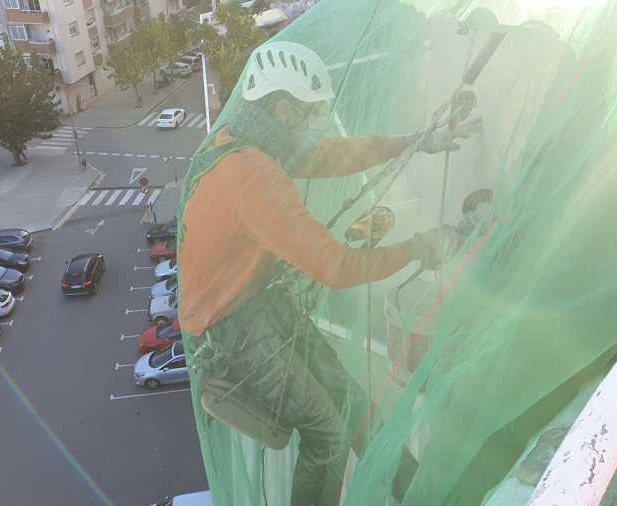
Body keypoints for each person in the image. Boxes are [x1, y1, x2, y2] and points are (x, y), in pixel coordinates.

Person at [178, 41, 480, 506]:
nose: (317, 123)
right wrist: (420, 246)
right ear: (283, 110)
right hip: (234, 327)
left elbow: (330, 156)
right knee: (329, 437)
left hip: (249, 307)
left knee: (355, 407)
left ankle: (422, 495)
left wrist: (414, 141)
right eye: (310, 113)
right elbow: (336, 267)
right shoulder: (252, 174)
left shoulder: (246, 142)